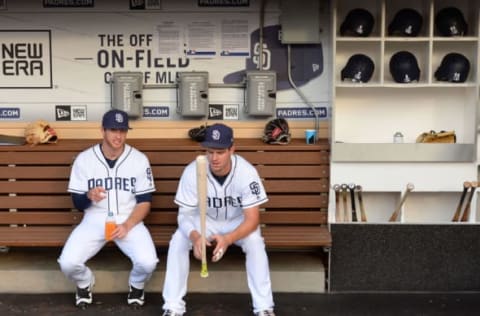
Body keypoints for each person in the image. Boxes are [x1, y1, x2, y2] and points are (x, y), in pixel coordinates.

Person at [162, 123, 275, 316]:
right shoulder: (193, 171)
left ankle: (263, 307)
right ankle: (173, 307)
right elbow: (184, 215)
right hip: (205, 222)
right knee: (179, 241)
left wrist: (229, 239)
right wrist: (196, 236)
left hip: (236, 222)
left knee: (255, 242)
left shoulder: (246, 173)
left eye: (220, 152)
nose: (214, 158)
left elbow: (253, 219)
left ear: (232, 149)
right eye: (210, 151)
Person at [58, 109, 158, 308]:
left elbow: (145, 201)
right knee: (67, 263)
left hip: (127, 218)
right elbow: (77, 203)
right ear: (102, 130)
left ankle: (137, 283)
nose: (118, 136)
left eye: (122, 130)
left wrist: (128, 224)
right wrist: (88, 196)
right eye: (113, 130)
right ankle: (84, 281)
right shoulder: (84, 159)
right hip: (95, 217)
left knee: (148, 262)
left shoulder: (139, 159)